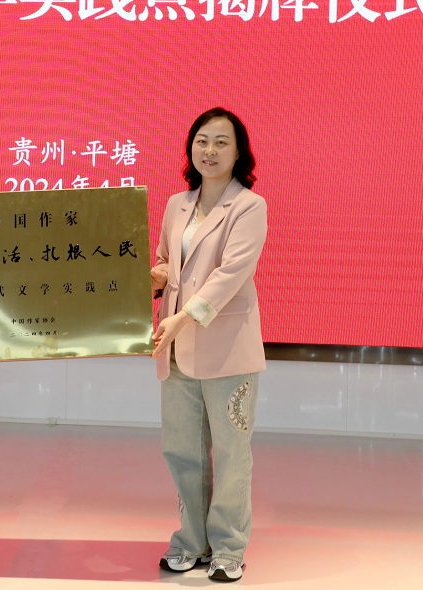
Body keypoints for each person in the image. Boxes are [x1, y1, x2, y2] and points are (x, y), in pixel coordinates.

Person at [150, 107, 267, 583]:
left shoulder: (249, 206)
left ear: (239, 153)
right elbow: (166, 261)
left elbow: (230, 275)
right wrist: (151, 278)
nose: (210, 151)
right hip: (176, 347)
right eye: (201, 141)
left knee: (231, 453)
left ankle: (228, 548)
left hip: (227, 349)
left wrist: (182, 317)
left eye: (221, 142)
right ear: (190, 148)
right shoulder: (177, 204)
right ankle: (190, 541)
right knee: (182, 450)